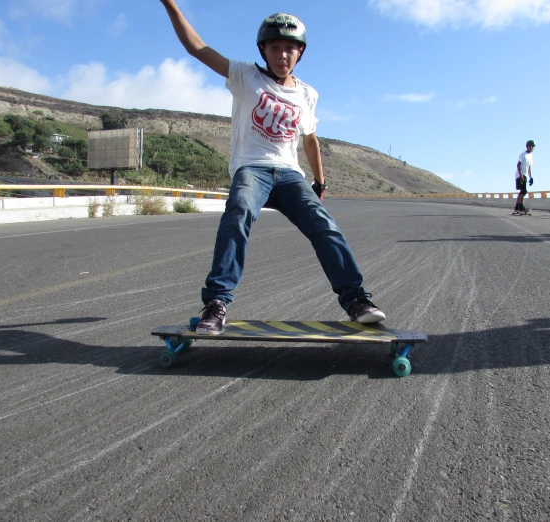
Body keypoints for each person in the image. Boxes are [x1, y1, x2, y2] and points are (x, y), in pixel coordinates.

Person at [159, 1, 386, 334]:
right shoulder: (245, 75)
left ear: (300, 53)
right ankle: (216, 303)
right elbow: (197, 48)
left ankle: (356, 300)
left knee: (325, 227)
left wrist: (320, 184)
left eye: (289, 49)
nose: (282, 55)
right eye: (275, 48)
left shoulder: (308, 94)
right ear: (263, 50)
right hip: (252, 169)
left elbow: (310, 141)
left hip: (291, 175)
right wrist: (170, 3)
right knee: (238, 213)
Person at [514, 140, 535, 213]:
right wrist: (521, 175)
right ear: (527, 146)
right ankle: (520, 206)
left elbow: (529, 168)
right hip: (520, 175)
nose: (532, 148)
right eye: (530, 146)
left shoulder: (531, 156)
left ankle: (518, 206)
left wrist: (531, 177)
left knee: (523, 191)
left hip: (525, 175)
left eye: (533, 146)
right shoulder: (523, 154)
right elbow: (518, 165)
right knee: (523, 191)